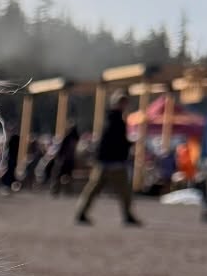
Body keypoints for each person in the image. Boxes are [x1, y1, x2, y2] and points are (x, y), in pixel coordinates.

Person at [75, 95, 141, 226]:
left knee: (92, 190)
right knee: (124, 192)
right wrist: (129, 143)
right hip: (114, 163)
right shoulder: (117, 121)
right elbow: (117, 143)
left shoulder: (107, 120)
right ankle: (127, 216)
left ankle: (81, 213)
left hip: (103, 162)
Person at [47, 120, 79, 196]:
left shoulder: (67, 138)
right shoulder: (76, 138)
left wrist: (58, 157)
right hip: (71, 161)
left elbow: (61, 150)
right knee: (68, 176)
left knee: (57, 176)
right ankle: (68, 191)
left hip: (64, 160)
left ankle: (55, 191)